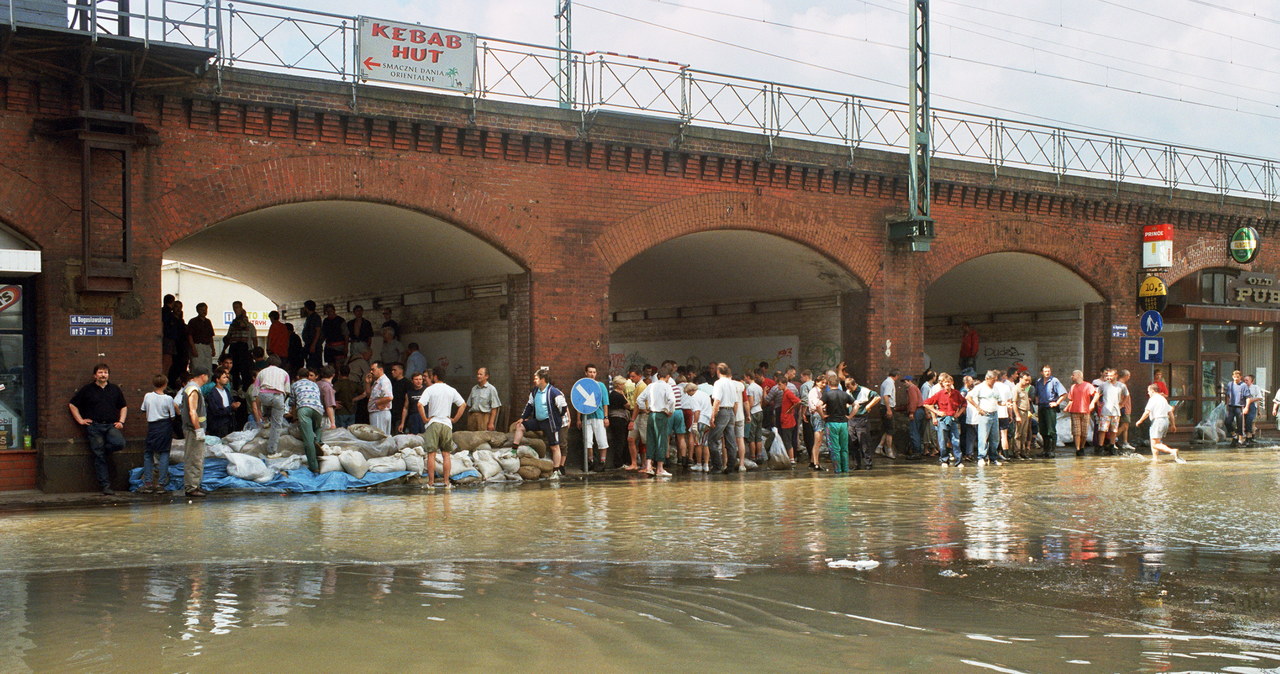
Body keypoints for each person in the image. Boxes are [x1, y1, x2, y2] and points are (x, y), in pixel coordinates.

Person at [68, 363, 128, 494]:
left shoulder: (115, 389)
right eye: (100, 372)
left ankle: (104, 451)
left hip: (111, 425)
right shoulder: (87, 390)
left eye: (105, 372)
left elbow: (123, 406)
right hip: (94, 426)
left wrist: (121, 421)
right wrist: (80, 420)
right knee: (99, 457)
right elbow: (73, 404)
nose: (103, 375)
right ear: (95, 375)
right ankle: (105, 486)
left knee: (119, 443)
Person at [513, 368, 569, 477]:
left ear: (542, 379)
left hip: (550, 423)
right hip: (538, 421)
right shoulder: (534, 391)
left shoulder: (554, 392)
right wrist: (523, 417)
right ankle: (513, 451)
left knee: (554, 447)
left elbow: (563, 407)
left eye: (536, 378)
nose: (534, 380)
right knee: (520, 426)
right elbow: (529, 405)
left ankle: (555, 471)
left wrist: (557, 418)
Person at [418, 366, 467, 487]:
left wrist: (425, 419)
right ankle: (446, 482)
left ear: (434, 376)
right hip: (446, 423)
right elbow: (463, 404)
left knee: (431, 454)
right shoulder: (451, 390)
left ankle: (430, 483)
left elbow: (420, 405)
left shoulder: (430, 389)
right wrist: (454, 419)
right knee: (446, 455)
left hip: (433, 423)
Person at [140, 374, 177, 493]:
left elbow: (143, 409)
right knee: (164, 453)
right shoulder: (168, 399)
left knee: (148, 454)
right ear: (165, 384)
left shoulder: (147, 396)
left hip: (152, 427)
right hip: (165, 426)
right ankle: (161, 483)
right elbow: (172, 416)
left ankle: (148, 483)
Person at [179, 366, 211, 498]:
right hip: (193, 430)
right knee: (194, 458)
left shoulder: (191, 388)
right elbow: (193, 411)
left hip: (193, 429)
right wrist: (198, 429)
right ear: (203, 376)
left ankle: (195, 485)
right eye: (207, 376)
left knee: (197, 458)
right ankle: (192, 487)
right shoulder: (193, 389)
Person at [250, 356, 291, 455]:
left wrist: (259, 411)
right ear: (279, 364)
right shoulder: (284, 373)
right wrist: (282, 403)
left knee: (268, 403)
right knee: (276, 426)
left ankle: (266, 419)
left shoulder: (261, 372)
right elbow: (287, 391)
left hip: (264, 395)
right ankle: (272, 451)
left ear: (267, 364)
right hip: (278, 395)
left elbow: (255, 392)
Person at [639, 365, 675, 478]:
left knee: (650, 440)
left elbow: (639, 399)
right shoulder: (667, 386)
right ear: (668, 376)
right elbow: (672, 400)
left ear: (658, 376)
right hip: (661, 415)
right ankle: (660, 468)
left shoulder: (650, 386)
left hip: (651, 414)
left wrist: (644, 409)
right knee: (661, 440)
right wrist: (670, 411)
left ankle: (648, 466)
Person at [923, 373, 966, 467]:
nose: (947, 384)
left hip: (953, 419)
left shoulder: (956, 393)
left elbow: (964, 403)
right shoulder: (939, 394)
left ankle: (959, 461)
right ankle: (944, 460)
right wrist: (936, 412)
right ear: (942, 384)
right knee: (942, 441)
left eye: (949, 382)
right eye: (945, 382)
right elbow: (926, 403)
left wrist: (959, 413)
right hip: (942, 420)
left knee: (956, 441)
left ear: (952, 382)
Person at [1135, 383, 1184, 463]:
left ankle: (1172, 451)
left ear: (1153, 391)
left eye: (1148, 391)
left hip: (1157, 421)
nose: (1148, 393)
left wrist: (1140, 421)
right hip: (1165, 421)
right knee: (1154, 441)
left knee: (1155, 444)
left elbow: (1147, 412)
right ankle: (1155, 458)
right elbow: (1170, 413)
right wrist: (1173, 425)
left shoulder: (1153, 399)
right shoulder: (1163, 399)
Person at [576, 364, 611, 472]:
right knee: (587, 441)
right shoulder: (582, 386)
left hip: (599, 417)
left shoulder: (601, 386)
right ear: (586, 373)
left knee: (602, 440)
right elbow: (578, 404)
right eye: (590, 372)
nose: (592, 374)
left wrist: (606, 417)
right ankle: (590, 461)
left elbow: (605, 402)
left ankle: (602, 462)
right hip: (586, 418)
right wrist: (578, 419)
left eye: (594, 372)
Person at [706, 364, 741, 472]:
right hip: (731, 411)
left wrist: (712, 416)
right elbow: (736, 402)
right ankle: (730, 466)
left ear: (718, 371)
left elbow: (717, 401)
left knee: (712, 439)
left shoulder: (718, 383)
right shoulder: (732, 383)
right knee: (731, 441)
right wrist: (733, 416)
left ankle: (717, 466)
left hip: (722, 411)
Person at [966, 369, 1003, 466]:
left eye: (995, 380)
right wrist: (978, 408)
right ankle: (981, 457)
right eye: (993, 380)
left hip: (994, 413)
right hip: (985, 414)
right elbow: (968, 397)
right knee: (983, 437)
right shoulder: (980, 387)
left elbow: (998, 400)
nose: (994, 382)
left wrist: (1004, 403)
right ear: (987, 378)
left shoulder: (995, 388)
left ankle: (993, 457)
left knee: (995, 437)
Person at [845, 370, 881, 470]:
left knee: (864, 442)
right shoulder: (848, 391)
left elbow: (877, 397)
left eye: (851, 388)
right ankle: (857, 464)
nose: (849, 390)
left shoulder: (864, 391)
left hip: (861, 419)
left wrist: (868, 406)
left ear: (854, 384)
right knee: (853, 442)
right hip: (852, 419)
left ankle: (868, 463)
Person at [292, 368, 324, 473]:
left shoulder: (295, 385)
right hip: (318, 409)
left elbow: (292, 403)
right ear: (308, 375)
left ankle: (314, 467)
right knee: (318, 427)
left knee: (308, 439)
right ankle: (318, 440)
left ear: (298, 377)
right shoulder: (315, 384)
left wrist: (294, 417)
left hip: (304, 409)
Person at [822, 373, 854, 473]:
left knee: (834, 448)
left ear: (828, 384)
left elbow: (818, 405)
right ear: (838, 383)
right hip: (844, 423)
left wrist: (823, 415)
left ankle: (838, 469)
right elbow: (856, 405)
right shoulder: (845, 394)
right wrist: (850, 416)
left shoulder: (827, 394)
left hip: (831, 423)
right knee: (844, 447)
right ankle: (846, 469)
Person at [223, 301, 258, 392]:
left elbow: (253, 338)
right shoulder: (233, 324)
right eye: (234, 307)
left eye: (237, 307)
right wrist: (223, 350)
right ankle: (235, 389)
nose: (235, 309)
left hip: (244, 349)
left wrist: (255, 351)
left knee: (245, 371)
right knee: (234, 370)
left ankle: (246, 390)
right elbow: (228, 338)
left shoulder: (247, 324)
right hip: (235, 347)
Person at [1033, 365, 1068, 457]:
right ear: (1041, 372)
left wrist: (1056, 403)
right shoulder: (1038, 382)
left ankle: (1052, 450)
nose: (1047, 373)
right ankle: (1045, 450)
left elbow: (1064, 394)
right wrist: (1037, 400)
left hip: (1050, 407)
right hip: (1041, 407)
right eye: (1045, 371)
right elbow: (1036, 394)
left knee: (1051, 429)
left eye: (1048, 371)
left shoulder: (1054, 381)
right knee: (1043, 429)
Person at [1065, 369, 1099, 457]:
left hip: (1085, 411)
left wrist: (1092, 403)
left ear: (1079, 375)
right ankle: (1078, 449)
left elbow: (1096, 394)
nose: (1071, 376)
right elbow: (1071, 399)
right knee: (1076, 431)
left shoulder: (1088, 386)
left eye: (1073, 375)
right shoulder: (1073, 387)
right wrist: (1067, 407)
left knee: (1084, 432)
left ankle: (1082, 447)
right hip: (1074, 411)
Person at [1096, 368, 1127, 455]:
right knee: (1103, 429)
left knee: (1114, 430)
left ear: (1116, 376)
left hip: (1116, 411)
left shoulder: (1121, 386)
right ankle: (1100, 446)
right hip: (1105, 410)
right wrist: (1097, 402)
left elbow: (1126, 395)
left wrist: (1122, 404)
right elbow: (1097, 393)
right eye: (1107, 375)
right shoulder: (1103, 385)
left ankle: (1112, 445)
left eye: (1111, 375)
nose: (1109, 377)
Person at [684, 381, 713, 472]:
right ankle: (706, 465)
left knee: (698, 444)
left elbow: (697, 411)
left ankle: (699, 464)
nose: (688, 395)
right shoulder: (705, 395)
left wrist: (695, 423)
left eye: (688, 393)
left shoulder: (694, 398)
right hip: (707, 421)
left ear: (692, 391)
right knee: (706, 444)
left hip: (700, 421)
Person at [624, 368, 648, 470]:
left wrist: (632, 420)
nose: (631, 378)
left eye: (633, 376)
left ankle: (646, 464)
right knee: (631, 439)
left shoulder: (642, 386)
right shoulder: (637, 386)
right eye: (630, 376)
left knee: (645, 441)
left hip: (641, 415)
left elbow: (638, 404)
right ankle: (634, 463)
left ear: (639, 376)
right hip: (637, 414)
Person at [465, 367, 502, 431]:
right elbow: (468, 405)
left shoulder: (491, 389)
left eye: (480, 374)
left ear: (486, 376)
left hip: (484, 417)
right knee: (471, 438)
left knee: (482, 438)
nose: (478, 376)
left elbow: (494, 408)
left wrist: (491, 423)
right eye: (477, 374)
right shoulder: (474, 389)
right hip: (473, 416)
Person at [205, 368, 239, 438]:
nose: (226, 379)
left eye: (226, 377)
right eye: (224, 377)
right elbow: (216, 411)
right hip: (219, 424)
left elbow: (231, 401)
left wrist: (234, 405)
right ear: (217, 380)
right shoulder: (212, 394)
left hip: (229, 422)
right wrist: (231, 407)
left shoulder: (226, 390)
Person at [607, 377, 631, 468]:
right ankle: (619, 462)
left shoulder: (612, 394)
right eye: (623, 384)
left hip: (613, 418)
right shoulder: (618, 395)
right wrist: (624, 395)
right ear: (619, 385)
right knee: (620, 441)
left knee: (618, 440)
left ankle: (620, 461)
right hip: (619, 419)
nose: (624, 386)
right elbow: (628, 405)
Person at [366, 360, 394, 435]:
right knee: (377, 435)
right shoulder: (377, 382)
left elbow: (389, 397)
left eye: (373, 369)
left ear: (380, 369)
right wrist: (368, 383)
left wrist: (377, 403)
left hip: (380, 412)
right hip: (375, 412)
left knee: (379, 436)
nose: (371, 372)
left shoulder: (384, 381)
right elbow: (369, 396)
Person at [806, 373, 828, 471]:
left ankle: (812, 462)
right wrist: (825, 407)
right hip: (817, 415)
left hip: (817, 415)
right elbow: (816, 406)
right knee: (817, 441)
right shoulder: (814, 392)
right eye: (822, 383)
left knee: (818, 441)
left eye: (825, 383)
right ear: (817, 382)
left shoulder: (819, 391)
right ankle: (816, 463)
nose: (824, 385)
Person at [166, 300, 189, 389]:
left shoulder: (181, 320)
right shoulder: (170, 319)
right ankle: (172, 384)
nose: (178, 309)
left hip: (183, 347)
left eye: (180, 307)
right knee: (174, 366)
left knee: (183, 365)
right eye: (176, 307)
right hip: (175, 346)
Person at [187, 302, 215, 372]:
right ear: (197, 310)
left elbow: (210, 336)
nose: (204, 311)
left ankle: (207, 382)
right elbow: (189, 336)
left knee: (208, 368)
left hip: (207, 346)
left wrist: (213, 348)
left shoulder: (208, 322)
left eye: (205, 309)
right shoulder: (193, 321)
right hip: (197, 346)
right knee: (197, 367)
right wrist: (193, 348)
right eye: (201, 309)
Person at [1013, 372, 1034, 459]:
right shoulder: (1016, 389)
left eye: (1028, 380)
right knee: (1018, 433)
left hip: (1026, 412)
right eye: (1025, 380)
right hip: (1020, 412)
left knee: (1024, 433)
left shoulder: (1024, 388)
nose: (1027, 382)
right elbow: (1014, 403)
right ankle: (1016, 452)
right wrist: (1017, 415)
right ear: (1020, 379)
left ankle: (1023, 451)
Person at [877, 370, 898, 458]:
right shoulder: (890, 383)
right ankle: (889, 450)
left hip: (883, 407)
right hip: (887, 407)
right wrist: (889, 409)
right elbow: (886, 396)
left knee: (887, 429)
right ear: (896, 376)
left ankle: (879, 447)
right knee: (890, 430)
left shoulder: (885, 382)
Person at [300, 300, 323, 369]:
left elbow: (318, 331)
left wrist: (313, 344)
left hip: (314, 345)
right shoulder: (309, 317)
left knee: (314, 365)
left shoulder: (316, 317)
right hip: (309, 344)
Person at [1243, 373, 1263, 447]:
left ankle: (1249, 438)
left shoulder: (1255, 387)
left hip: (1252, 406)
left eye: (1247, 380)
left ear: (1252, 381)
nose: (1245, 382)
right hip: (1242, 406)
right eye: (1244, 380)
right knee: (1244, 422)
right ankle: (1248, 438)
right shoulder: (1242, 387)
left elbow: (1259, 398)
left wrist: (1259, 410)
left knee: (1250, 421)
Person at [388, 363, 408, 434]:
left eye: (394, 370)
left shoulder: (407, 383)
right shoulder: (391, 382)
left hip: (400, 415)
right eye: (392, 370)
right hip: (391, 413)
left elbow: (407, 402)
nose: (392, 372)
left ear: (401, 371)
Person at [316, 366, 338, 430]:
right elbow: (329, 406)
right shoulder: (327, 387)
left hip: (315, 416)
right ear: (333, 375)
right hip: (324, 418)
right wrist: (333, 423)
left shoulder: (316, 384)